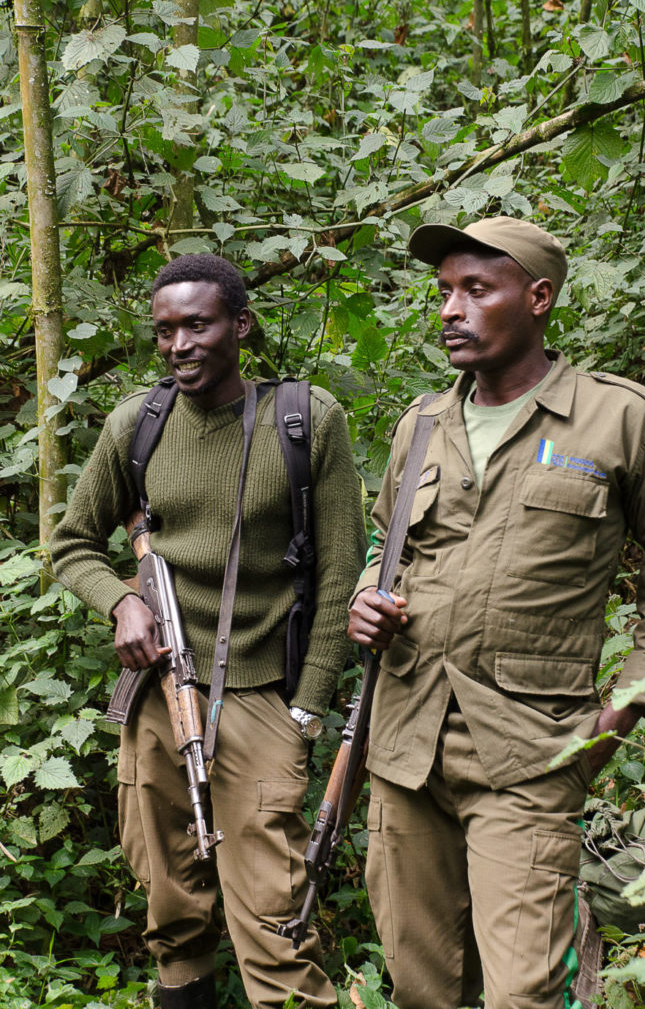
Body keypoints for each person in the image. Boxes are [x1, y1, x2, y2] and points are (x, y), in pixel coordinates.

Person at [348, 216, 645, 1009]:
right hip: (405, 747)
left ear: (538, 298)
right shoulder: (420, 425)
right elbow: (381, 548)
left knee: (525, 993)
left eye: (474, 289)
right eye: (443, 293)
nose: (449, 311)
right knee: (424, 989)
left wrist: (619, 716)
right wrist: (366, 598)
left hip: (534, 751)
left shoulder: (623, 419)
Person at [50, 254, 365, 1009]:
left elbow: (340, 576)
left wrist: (306, 710)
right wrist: (123, 604)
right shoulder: (139, 422)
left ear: (240, 325)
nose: (179, 344)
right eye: (165, 331)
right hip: (161, 694)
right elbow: (71, 544)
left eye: (198, 325)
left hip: (263, 696)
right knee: (170, 902)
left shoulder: (304, 419)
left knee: (273, 913)